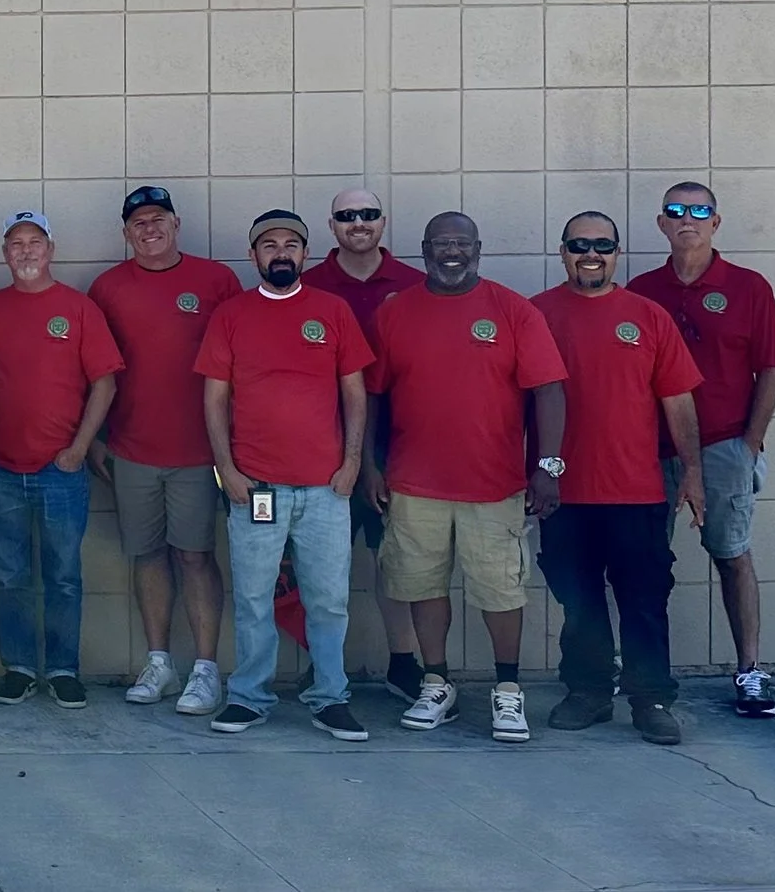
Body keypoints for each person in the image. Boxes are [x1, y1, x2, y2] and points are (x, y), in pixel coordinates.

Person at [367, 212, 567, 742]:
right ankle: (436, 684)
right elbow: (373, 395)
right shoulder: (396, 312)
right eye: (440, 243)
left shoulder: (512, 310)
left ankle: (508, 691)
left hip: (494, 484)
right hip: (413, 484)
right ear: (424, 248)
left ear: (478, 248)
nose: (450, 252)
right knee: (420, 584)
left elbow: (548, 390)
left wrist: (548, 467)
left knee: (501, 591)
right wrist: (368, 464)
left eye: (461, 243)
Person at [196, 210, 372, 742]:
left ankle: (330, 697)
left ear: (304, 254)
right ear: (253, 257)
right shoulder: (231, 315)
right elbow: (215, 399)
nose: (279, 253)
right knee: (252, 598)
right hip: (257, 486)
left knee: (328, 598)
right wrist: (227, 470)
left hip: (325, 487)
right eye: (268, 245)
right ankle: (249, 697)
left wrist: (353, 463)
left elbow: (355, 394)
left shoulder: (332, 311)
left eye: (290, 245)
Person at [535, 212, 703, 745]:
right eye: (579, 244)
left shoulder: (648, 317)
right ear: (562, 251)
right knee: (578, 598)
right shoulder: (535, 315)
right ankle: (588, 692)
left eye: (602, 245)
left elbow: (677, 400)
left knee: (644, 600)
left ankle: (651, 698)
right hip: (563, 493)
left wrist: (693, 473)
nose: (592, 253)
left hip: (637, 491)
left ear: (617, 252)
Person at [626, 181, 775, 720]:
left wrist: (749, 443)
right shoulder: (642, 290)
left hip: (723, 445)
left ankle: (750, 671)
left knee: (731, 554)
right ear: (661, 223)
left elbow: (770, 368)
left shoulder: (748, 288)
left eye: (699, 211)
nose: (687, 219)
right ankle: (647, 677)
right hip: (652, 449)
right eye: (676, 211)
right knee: (645, 564)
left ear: (716, 222)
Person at [87, 185, 239, 716]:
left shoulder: (216, 280)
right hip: (131, 449)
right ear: (125, 233)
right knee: (146, 554)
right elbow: (97, 370)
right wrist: (97, 438)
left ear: (176, 224)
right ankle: (159, 662)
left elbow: (241, 366)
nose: (149, 230)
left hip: (200, 452)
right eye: (138, 223)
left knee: (195, 555)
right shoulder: (106, 287)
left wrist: (234, 449)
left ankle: (205, 669)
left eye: (158, 220)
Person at [0, 212, 123, 708]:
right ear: (4, 253)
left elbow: (105, 382)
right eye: (15, 243)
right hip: (0, 469)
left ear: (51, 249)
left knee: (63, 576)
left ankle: (62, 668)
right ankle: (17, 666)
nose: (26, 251)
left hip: (61, 470)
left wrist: (79, 448)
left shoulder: (78, 310)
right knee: (9, 576)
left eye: (35, 242)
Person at [300, 188, 427, 703]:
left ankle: (404, 662)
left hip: (401, 445)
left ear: (383, 222)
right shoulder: (306, 287)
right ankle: (322, 665)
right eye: (347, 216)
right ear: (331, 225)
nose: (359, 223)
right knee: (318, 564)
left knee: (395, 560)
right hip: (318, 447)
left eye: (369, 214)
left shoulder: (418, 286)